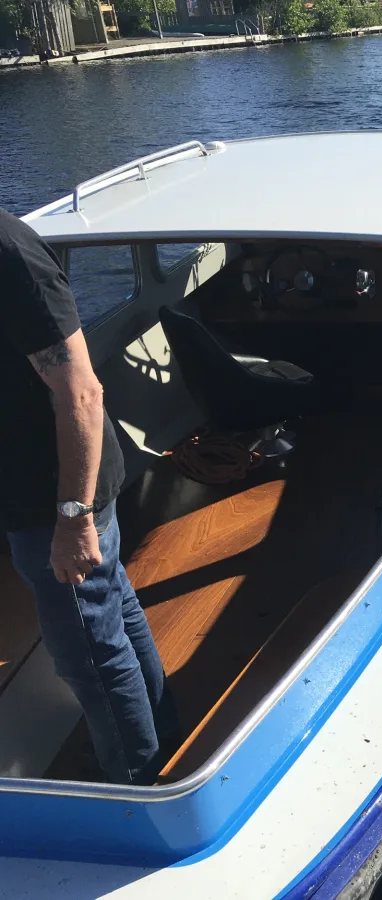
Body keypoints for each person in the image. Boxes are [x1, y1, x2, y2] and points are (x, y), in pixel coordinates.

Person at [0, 207, 176, 785]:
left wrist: (73, 519)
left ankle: (134, 782)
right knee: (113, 612)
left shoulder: (10, 255)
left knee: (89, 655)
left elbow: (80, 394)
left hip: (58, 501)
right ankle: (161, 733)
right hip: (39, 494)